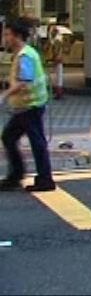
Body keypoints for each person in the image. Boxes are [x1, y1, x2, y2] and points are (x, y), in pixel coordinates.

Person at [1, 17, 55, 192]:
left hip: (30, 105)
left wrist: (4, 95)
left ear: (17, 36)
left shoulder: (25, 56)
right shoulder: (24, 53)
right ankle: (16, 176)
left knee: (36, 142)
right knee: (10, 137)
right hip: (26, 106)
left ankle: (44, 179)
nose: (5, 37)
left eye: (8, 34)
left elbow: (24, 81)